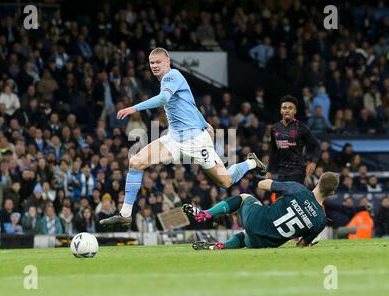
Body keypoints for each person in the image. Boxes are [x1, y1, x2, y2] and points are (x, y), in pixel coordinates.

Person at [100, 48, 266, 226]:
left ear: (168, 62)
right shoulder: (168, 80)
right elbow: (191, 104)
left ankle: (252, 163)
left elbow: (163, 99)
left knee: (225, 181)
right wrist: (204, 122)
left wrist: (134, 108)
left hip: (196, 142)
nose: (154, 66)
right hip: (174, 139)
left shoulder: (173, 76)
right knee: (136, 162)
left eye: (158, 62)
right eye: (151, 63)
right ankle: (125, 214)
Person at [183, 172, 340, 250]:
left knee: (245, 197)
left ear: (318, 182)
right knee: (246, 237)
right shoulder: (320, 220)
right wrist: (311, 241)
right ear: (332, 193)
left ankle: (205, 214)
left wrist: (274, 182)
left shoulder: (298, 189)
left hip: (256, 219)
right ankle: (221, 246)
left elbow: (262, 185)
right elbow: (301, 246)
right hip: (265, 243)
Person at [267, 95, 320, 185]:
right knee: (281, 198)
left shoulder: (302, 128)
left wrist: (313, 162)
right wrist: (269, 171)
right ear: (281, 110)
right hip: (282, 171)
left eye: (290, 108)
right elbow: (273, 151)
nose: (287, 110)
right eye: (284, 108)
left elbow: (316, 145)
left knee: (293, 198)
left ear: (295, 111)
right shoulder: (275, 128)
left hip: (297, 171)